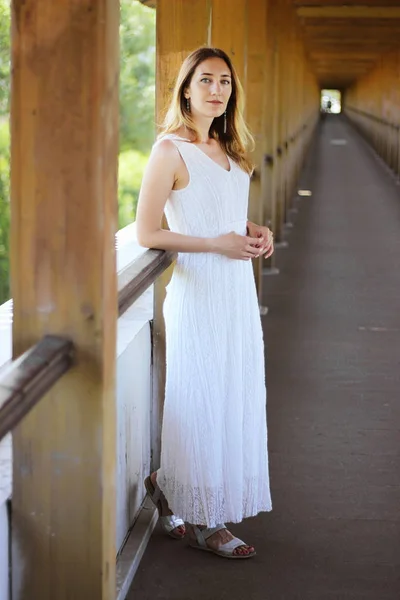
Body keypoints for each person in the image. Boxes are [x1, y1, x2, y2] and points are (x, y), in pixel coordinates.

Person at [136, 46, 273, 560]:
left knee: (232, 394)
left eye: (225, 82)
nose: (217, 90)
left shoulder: (231, 147)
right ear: (187, 88)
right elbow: (150, 230)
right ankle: (202, 522)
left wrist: (255, 232)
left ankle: (169, 481)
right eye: (207, 80)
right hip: (199, 293)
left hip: (236, 292)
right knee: (201, 398)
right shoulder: (170, 150)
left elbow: (228, 214)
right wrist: (216, 243)